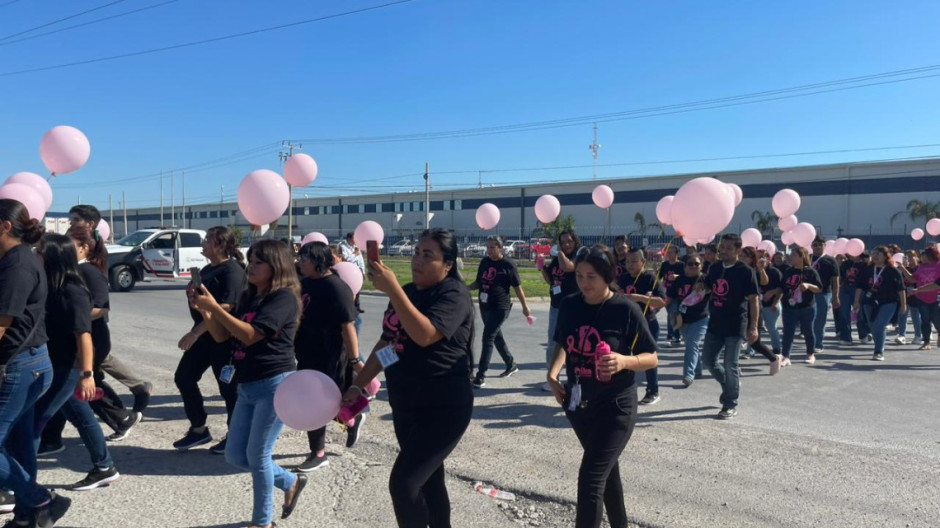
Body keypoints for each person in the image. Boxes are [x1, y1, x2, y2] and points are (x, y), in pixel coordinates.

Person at [343, 228, 474, 528]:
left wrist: (394, 292)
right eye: (416, 252)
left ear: (448, 265)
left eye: (429, 255)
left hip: (444, 408)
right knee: (429, 481)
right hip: (406, 406)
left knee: (403, 484)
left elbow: (425, 335)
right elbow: (390, 344)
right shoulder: (407, 292)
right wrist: (358, 384)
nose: (418, 260)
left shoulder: (453, 295)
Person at [192, 240, 307, 528]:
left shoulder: (283, 298)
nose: (251, 266)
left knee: (258, 456)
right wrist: (206, 310)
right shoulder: (250, 295)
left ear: (276, 266)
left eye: (258, 262)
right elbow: (221, 336)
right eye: (251, 260)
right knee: (235, 455)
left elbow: (251, 335)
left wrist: (216, 308)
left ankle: (262, 522)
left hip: (274, 384)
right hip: (247, 384)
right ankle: (290, 481)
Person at [546, 244, 658, 528]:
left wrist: (624, 361)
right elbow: (563, 342)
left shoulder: (625, 309)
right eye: (580, 275)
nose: (584, 283)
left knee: (591, 479)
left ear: (607, 276)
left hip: (616, 405)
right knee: (606, 475)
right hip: (579, 405)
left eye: (591, 277)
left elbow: (652, 357)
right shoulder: (571, 304)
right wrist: (553, 373)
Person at [0, 199, 72, 526]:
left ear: (5, 226)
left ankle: (39, 499)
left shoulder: (17, 265)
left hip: (19, 366)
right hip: (32, 363)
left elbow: (3, 324)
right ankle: (28, 514)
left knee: (16, 440)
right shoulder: (21, 258)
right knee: (19, 442)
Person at [42, 227, 142, 451]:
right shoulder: (66, 276)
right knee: (70, 398)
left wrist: (73, 316)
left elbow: (102, 308)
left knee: (83, 386)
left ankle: (121, 418)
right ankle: (54, 440)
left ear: (83, 247)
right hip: (71, 345)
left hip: (91, 340)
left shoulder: (87, 273)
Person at [33, 234, 120, 491]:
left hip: (68, 368)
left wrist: (87, 374)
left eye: (40, 250)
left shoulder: (73, 290)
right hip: (55, 363)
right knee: (81, 416)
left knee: (36, 421)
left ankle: (19, 483)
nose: (36, 253)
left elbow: (84, 335)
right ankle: (105, 466)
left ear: (53, 256)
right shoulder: (51, 286)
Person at [67, 205, 152, 413]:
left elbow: (101, 304)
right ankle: (138, 388)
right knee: (102, 359)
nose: (71, 223)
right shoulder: (81, 245)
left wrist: (78, 318)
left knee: (92, 365)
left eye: (75, 219)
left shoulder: (93, 250)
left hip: (91, 319)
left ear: (89, 224)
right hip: (87, 319)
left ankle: (120, 415)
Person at [173, 227, 246, 453]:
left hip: (223, 338)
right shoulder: (206, 269)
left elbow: (224, 307)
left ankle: (235, 436)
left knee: (228, 389)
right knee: (184, 377)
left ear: (221, 245)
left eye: (208, 240)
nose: (203, 243)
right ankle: (199, 430)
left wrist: (194, 332)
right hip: (204, 337)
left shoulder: (232, 271)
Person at [294, 241, 362, 472]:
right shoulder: (304, 284)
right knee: (322, 404)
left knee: (320, 404)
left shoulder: (336, 288)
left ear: (318, 261)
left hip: (330, 355)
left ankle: (318, 454)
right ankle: (352, 419)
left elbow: (348, 326)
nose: (300, 262)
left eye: (305, 259)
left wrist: (355, 360)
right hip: (306, 352)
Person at [700, 234, 759, 419]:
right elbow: (709, 287)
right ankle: (729, 386)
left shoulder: (745, 271)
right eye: (722, 247)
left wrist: (753, 326)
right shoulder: (715, 267)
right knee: (708, 360)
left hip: (736, 324)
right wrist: (700, 285)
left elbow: (754, 300)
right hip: (716, 322)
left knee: (730, 363)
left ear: (738, 250)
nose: (724, 250)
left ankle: (730, 403)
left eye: (728, 247)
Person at [469, 236, 532, 387]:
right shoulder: (484, 262)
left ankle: (481, 375)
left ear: (500, 248)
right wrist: (465, 288)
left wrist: (525, 307)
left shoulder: (508, 264)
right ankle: (511, 364)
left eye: (492, 247)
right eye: (488, 247)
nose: (489, 250)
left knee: (488, 337)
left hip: (500, 307)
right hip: (485, 306)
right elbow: (479, 282)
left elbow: (518, 287)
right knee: (496, 337)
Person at [617, 248, 665, 405]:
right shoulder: (622, 279)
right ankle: (622, 390)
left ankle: (653, 390)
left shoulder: (650, 278)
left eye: (634, 261)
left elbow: (661, 301)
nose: (629, 265)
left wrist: (639, 298)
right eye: (627, 262)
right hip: (626, 324)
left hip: (647, 324)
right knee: (624, 356)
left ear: (643, 262)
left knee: (648, 357)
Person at [541, 230, 581, 391]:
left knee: (573, 343)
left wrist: (559, 251)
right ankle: (553, 377)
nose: (566, 245)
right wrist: (542, 268)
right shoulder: (558, 258)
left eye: (569, 241)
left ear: (575, 241)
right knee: (552, 342)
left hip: (573, 307)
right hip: (556, 306)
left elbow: (568, 267)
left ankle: (576, 378)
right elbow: (551, 280)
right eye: (563, 242)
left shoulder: (578, 256)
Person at [853, 246, 906, 361]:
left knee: (880, 325)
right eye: (874, 253)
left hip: (888, 302)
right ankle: (879, 343)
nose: (876, 256)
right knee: (872, 326)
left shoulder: (893, 271)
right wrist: (856, 301)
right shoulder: (867, 269)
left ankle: (878, 351)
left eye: (879, 254)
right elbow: (860, 287)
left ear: (886, 256)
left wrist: (903, 304)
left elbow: (901, 289)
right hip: (869, 301)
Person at [773, 247, 823, 365]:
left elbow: (819, 289)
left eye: (794, 255)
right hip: (789, 307)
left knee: (808, 331)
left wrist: (808, 285)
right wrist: (773, 294)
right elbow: (782, 287)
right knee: (788, 332)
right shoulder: (788, 271)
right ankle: (786, 356)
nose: (791, 257)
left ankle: (810, 353)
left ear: (802, 257)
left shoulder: (810, 271)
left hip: (806, 307)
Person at [666, 254, 709, 386]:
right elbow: (670, 298)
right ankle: (698, 370)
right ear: (684, 267)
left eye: (697, 264)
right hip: (682, 319)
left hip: (701, 318)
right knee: (691, 345)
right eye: (690, 264)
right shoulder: (679, 281)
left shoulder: (706, 279)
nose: (694, 266)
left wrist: (706, 288)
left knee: (692, 344)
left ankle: (688, 375)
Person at [739, 247, 783, 373]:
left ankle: (773, 358)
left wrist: (761, 268)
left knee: (755, 342)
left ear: (752, 258)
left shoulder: (755, 270)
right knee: (735, 337)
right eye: (741, 255)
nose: (742, 258)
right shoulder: (737, 268)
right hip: (739, 307)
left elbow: (764, 282)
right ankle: (733, 366)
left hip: (754, 306)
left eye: (745, 256)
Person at [810, 237, 840, 351]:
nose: (817, 247)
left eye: (820, 245)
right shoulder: (807, 258)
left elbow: (835, 280)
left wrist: (836, 297)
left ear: (825, 246)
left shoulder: (831, 260)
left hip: (824, 293)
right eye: (815, 245)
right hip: (808, 292)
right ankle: (811, 341)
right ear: (811, 246)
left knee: (820, 318)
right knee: (809, 318)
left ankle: (818, 343)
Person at [909, 247, 940, 349]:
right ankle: (926, 341)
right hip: (922, 298)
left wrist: (918, 290)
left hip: (936, 297)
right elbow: (912, 279)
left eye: (924, 255)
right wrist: (902, 269)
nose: (922, 257)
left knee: (936, 319)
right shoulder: (921, 267)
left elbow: (936, 285)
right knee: (925, 320)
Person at [758, 250, 784, 358]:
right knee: (755, 328)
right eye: (758, 258)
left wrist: (775, 302)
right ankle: (750, 350)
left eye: (762, 258)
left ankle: (777, 349)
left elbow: (781, 289)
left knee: (771, 327)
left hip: (771, 305)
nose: (760, 261)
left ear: (768, 260)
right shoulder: (755, 271)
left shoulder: (775, 272)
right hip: (759, 304)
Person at [658, 245, 684, 347]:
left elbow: (686, 277)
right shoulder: (664, 265)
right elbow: (659, 277)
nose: (669, 254)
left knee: (672, 314)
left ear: (677, 253)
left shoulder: (681, 265)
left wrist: (677, 276)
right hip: (667, 293)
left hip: (677, 294)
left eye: (672, 252)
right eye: (668, 252)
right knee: (672, 315)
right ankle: (677, 336)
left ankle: (670, 336)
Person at [895, 250, 921, 345]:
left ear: (916, 257)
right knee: (902, 315)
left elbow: (913, 280)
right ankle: (902, 335)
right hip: (905, 296)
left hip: (916, 295)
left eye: (911, 256)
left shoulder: (919, 268)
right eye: (906, 257)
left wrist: (903, 269)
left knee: (916, 317)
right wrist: (901, 269)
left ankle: (918, 335)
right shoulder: (902, 269)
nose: (909, 259)